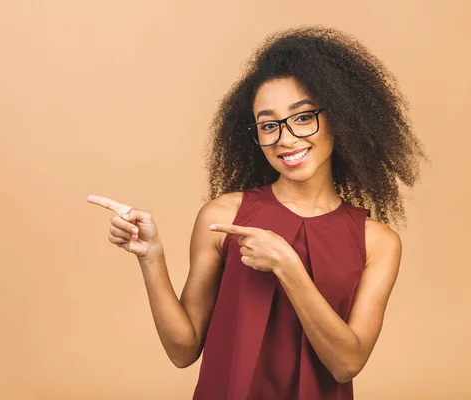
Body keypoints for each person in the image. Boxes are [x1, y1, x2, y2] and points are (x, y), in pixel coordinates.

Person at [87, 26, 426, 400]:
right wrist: (151, 257)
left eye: (302, 117)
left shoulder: (377, 241)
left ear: (340, 119)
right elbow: (183, 351)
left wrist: (288, 265)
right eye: (268, 125)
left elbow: (346, 363)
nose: (285, 138)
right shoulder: (223, 218)